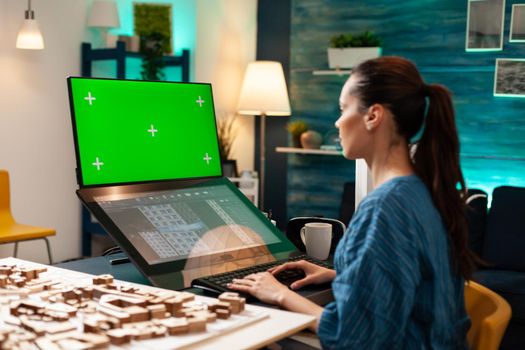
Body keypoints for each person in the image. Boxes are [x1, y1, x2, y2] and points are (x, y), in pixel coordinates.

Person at [228, 56, 477, 348]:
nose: (337, 122)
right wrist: (340, 274)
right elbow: (407, 279)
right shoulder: (420, 191)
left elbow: (353, 336)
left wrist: (279, 293)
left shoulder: (385, 208)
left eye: (343, 109)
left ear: (373, 116)